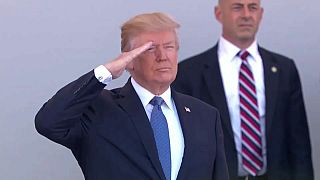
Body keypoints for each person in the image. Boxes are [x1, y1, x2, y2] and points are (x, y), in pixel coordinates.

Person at [35, 12, 229, 180]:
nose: (163, 56)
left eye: (169, 47)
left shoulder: (205, 116)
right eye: (151, 48)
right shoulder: (97, 110)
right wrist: (105, 72)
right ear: (128, 60)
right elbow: (48, 122)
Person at [172, 0, 313, 180]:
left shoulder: (284, 69)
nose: (246, 15)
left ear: (260, 14)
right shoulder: (189, 73)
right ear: (218, 14)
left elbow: (299, 145)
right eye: (237, 7)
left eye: (252, 7)